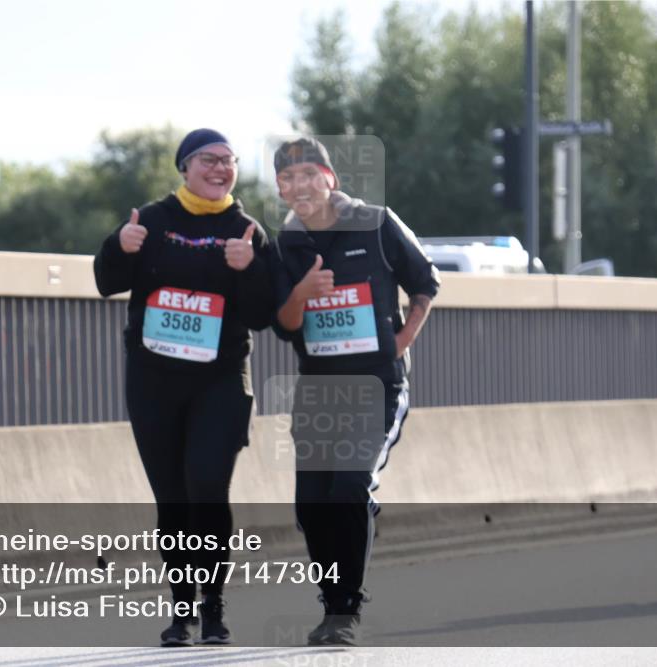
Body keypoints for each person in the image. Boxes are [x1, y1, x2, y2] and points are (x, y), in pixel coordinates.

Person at [93, 128, 273, 647]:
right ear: (184, 168)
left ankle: (213, 608)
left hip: (220, 380)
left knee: (207, 489)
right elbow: (106, 281)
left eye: (228, 160)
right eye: (208, 160)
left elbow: (263, 312)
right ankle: (181, 611)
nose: (220, 169)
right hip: (154, 382)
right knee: (172, 498)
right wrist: (119, 247)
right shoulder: (152, 220)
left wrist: (249, 268)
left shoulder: (245, 230)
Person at [268, 137, 440, 646]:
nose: (299, 186)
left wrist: (402, 341)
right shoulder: (287, 245)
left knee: (349, 485)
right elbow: (284, 324)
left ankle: (346, 609)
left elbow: (426, 282)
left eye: (308, 174)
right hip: (318, 389)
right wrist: (302, 293)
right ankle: (330, 604)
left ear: (330, 179)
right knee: (311, 505)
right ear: (281, 189)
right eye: (287, 179)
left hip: (376, 384)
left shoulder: (377, 223)